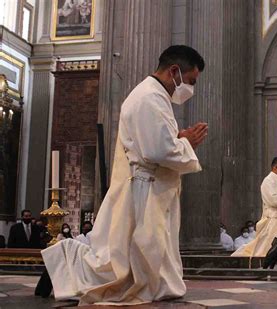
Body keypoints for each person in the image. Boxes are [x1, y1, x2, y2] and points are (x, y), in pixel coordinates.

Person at [39, 45, 208, 305]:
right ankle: (64, 263)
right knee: (129, 258)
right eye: (190, 81)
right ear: (174, 71)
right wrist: (187, 144)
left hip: (149, 184)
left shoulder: (154, 95)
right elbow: (157, 150)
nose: (189, 89)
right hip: (144, 187)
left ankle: (70, 268)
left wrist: (179, 138)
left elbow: (152, 143)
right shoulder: (150, 98)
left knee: (138, 255)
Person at [232, 157, 277, 257]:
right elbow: (273, 201)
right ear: (276, 167)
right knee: (267, 247)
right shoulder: (268, 181)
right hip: (274, 219)